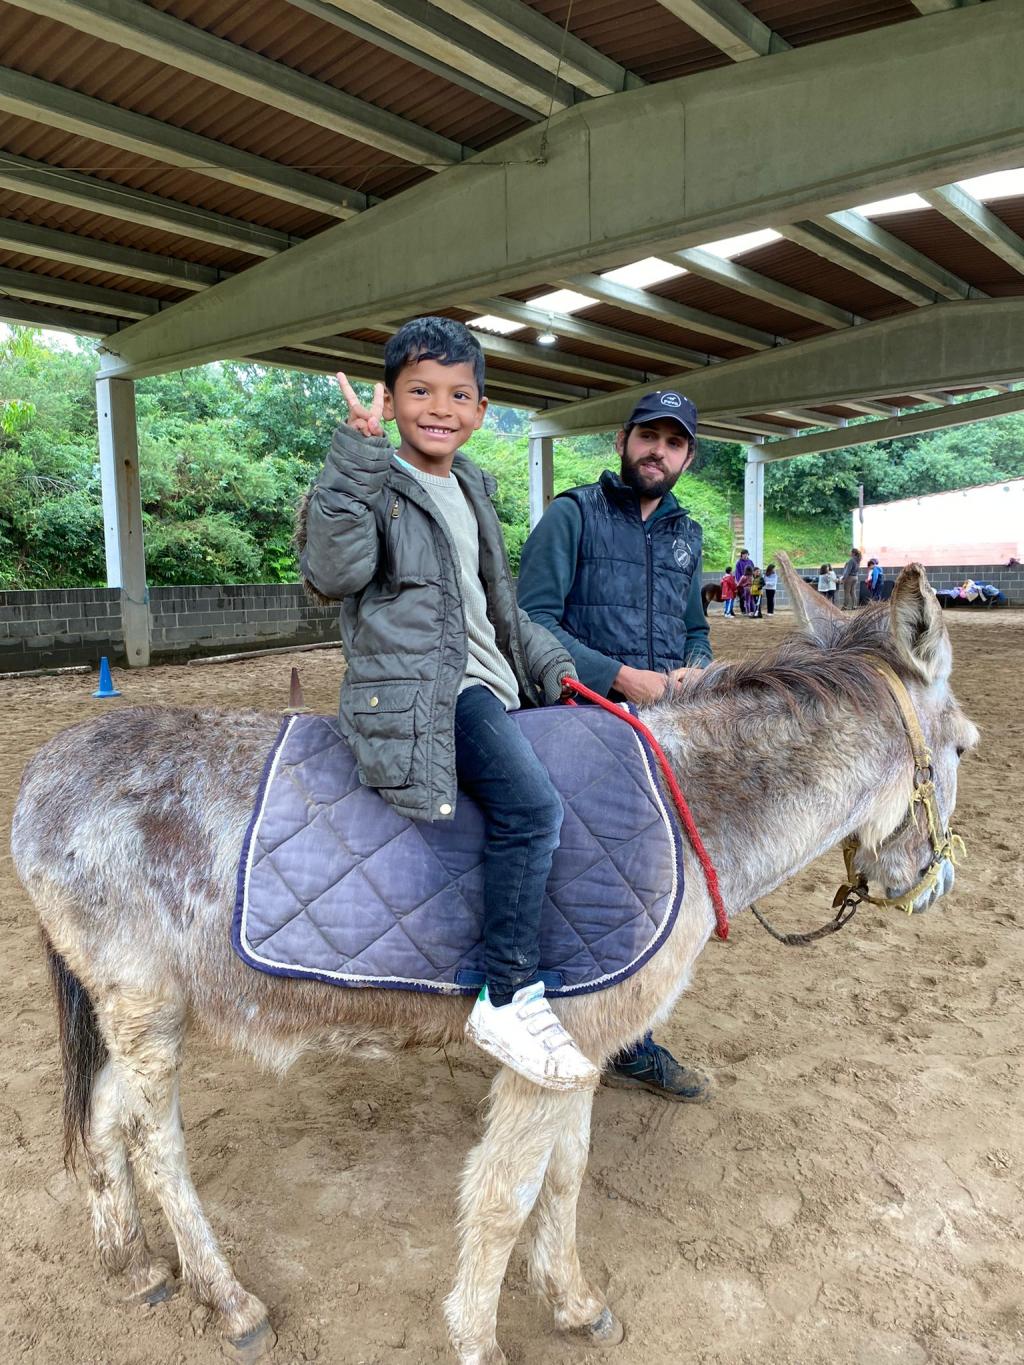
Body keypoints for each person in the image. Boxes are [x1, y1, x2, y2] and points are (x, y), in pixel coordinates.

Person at [301, 317, 597, 1093]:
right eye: (420, 391)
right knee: (532, 808)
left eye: (458, 394)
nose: (440, 408)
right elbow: (333, 572)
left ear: (481, 409)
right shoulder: (375, 481)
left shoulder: (471, 486)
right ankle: (506, 993)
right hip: (431, 695)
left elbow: (498, 607)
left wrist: (554, 668)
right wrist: (355, 458)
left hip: (492, 682)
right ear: (391, 399)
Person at [517, 389, 712, 1103]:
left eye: (673, 442)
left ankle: (626, 1036)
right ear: (622, 441)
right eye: (648, 436)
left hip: (657, 735)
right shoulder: (572, 516)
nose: (658, 451)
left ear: (688, 457)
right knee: (575, 880)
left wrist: (694, 668)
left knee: (646, 885)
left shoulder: (688, 536)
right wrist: (620, 676)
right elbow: (529, 621)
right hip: (577, 722)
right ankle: (538, 1013)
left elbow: (695, 628)